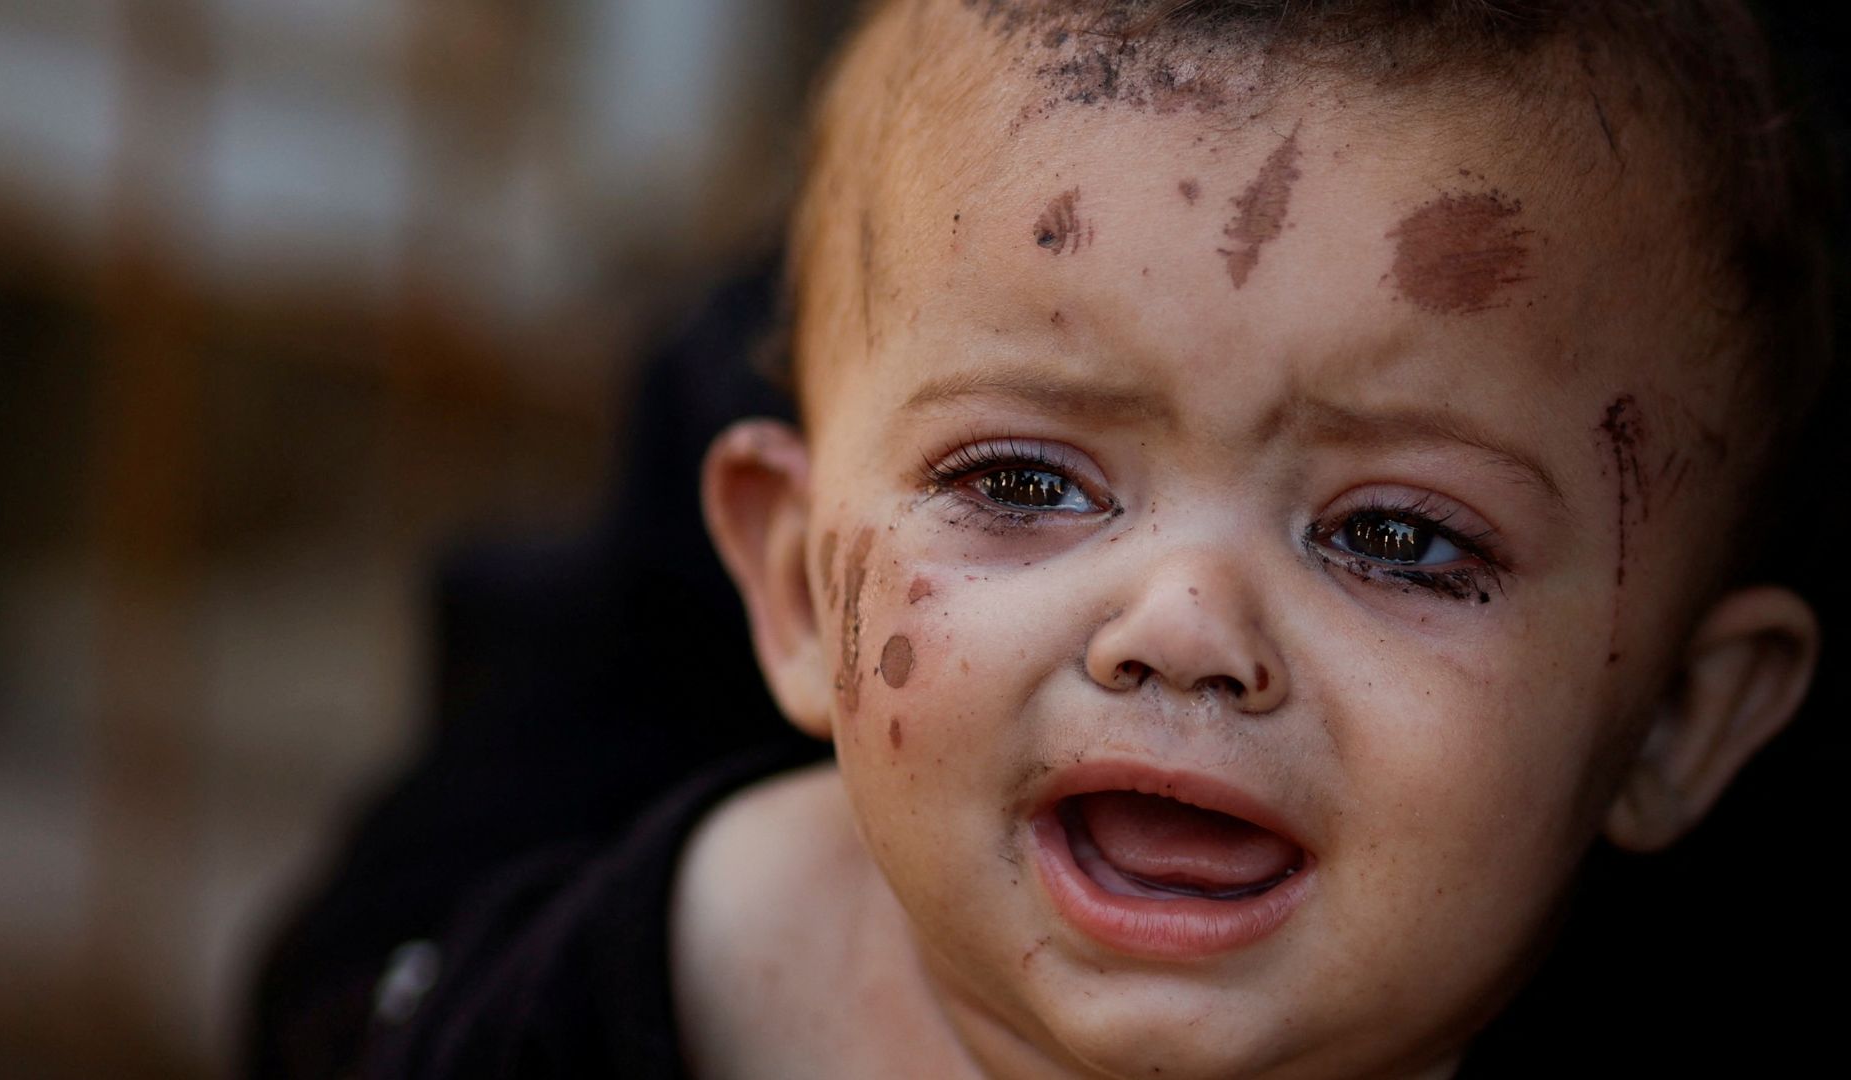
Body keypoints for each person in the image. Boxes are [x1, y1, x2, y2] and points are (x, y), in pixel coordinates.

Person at [249, 2, 1843, 1077]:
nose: (1187, 624)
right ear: (800, 585)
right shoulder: (662, 987)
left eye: (1403, 539)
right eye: (1023, 485)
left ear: (1680, 723)